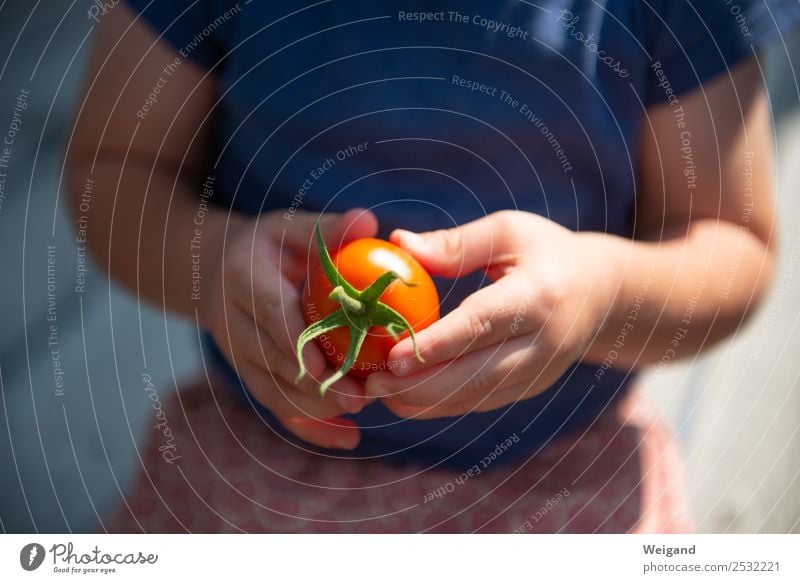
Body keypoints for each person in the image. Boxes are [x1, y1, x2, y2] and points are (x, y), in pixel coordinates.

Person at [66, 0, 798, 532]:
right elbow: (114, 171)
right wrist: (212, 263)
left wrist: (600, 298)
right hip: (261, 452)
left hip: (558, 471)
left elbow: (731, 243)